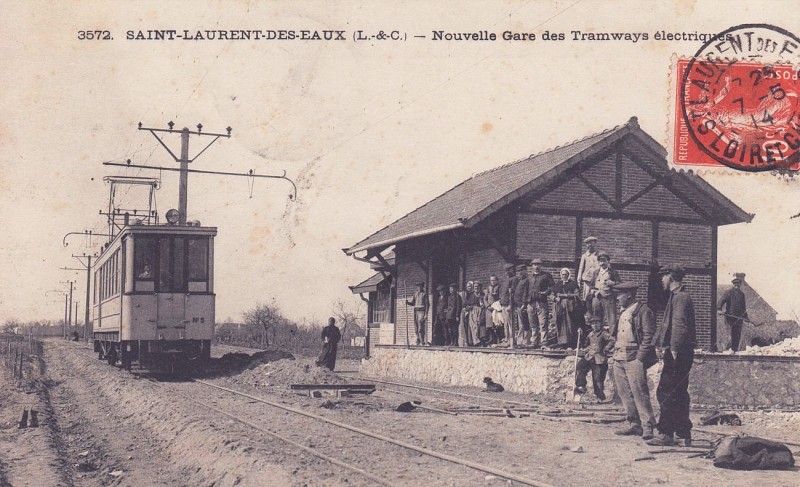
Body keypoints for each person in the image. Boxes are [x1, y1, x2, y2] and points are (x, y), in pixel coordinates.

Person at [649, 264, 696, 447]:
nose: (661, 280)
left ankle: (666, 433)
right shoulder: (678, 296)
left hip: (678, 351)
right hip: (682, 351)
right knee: (679, 392)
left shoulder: (680, 298)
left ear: (671, 277)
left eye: (663, 276)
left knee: (666, 392)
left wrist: (674, 348)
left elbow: (679, 324)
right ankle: (683, 434)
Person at [611, 281, 658, 440]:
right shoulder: (624, 311)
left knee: (639, 392)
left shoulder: (644, 311)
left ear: (629, 295)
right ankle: (634, 424)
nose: (617, 298)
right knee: (625, 392)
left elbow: (648, 337)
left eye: (620, 295)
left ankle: (648, 425)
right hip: (619, 356)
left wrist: (640, 358)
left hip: (634, 356)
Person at [575, 316, 615, 400]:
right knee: (580, 366)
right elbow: (588, 344)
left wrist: (606, 349)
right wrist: (585, 348)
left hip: (599, 359)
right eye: (592, 324)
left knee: (597, 379)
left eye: (596, 323)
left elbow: (613, 340)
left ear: (600, 324)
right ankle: (581, 385)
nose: (595, 325)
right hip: (590, 356)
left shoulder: (604, 333)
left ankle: (600, 397)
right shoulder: (591, 334)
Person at [552, 268, 583, 349]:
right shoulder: (558, 284)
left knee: (569, 324)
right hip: (559, 308)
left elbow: (576, 295)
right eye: (563, 274)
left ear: (568, 275)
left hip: (570, 308)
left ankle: (570, 343)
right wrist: (555, 298)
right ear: (560, 275)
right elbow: (552, 294)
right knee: (560, 324)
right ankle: (561, 342)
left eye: (566, 274)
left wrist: (565, 296)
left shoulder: (573, 284)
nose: (564, 276)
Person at [528, 258, 555, 348]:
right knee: (533, 323)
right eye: (534, 265)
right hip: (531, 303)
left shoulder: (546, 276)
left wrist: (546, 292)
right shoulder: (529, 277)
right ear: (532, 266)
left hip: (541, 303)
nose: (536, 266)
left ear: (541, 266)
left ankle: (544, 342)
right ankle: (534, 342)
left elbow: (552, 287)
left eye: (538, 264)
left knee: (543, 323)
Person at [590, 252, 620, 329]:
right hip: (597, 297)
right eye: (600, 261)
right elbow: (591, 285)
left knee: (611, 317)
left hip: (609, 297)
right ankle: (598, 335)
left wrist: (612, 283)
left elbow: (620, 284)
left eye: (604, 261)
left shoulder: (613, 272)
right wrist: (592, 290)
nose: (602, 263)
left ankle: (612, 335)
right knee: (596, 316)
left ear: (608, 261)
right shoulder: (595, 272)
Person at [718, 277, 748, 352]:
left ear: (740, 284)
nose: (736, 285)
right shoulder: (729, 292)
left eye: (737, 284)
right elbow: (721, 301)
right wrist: (719, 309)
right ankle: (728, 349)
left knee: (737, 335)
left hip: (739, 318)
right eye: (735, 284)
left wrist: (746, 317)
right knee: (730, 334)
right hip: (730, 317)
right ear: (733, 284)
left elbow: (743, 307)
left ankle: (735, 350)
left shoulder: (742, 295)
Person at [405, 281, 429, 346]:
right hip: (415, 311)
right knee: (416, 326)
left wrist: (426, 314)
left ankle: (422, 341)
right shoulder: (415, 294)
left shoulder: (424, 294)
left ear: (422, 287)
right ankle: (418, 339)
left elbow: (427, 304)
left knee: (420, 326)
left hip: (422, 311)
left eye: (420, 286)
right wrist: (408, 303)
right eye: (417, 286)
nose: (418, 288)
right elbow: (413, 303)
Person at [513, 264, 531, 346]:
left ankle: (526, 341)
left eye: (521, 271)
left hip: (523, 305)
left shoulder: (527, 280)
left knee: (525, 323)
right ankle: (520, 341)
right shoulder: (520, 281)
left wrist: (524, 303)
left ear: (525, 271)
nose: (520, 273)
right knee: (520, 324)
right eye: (519, 271)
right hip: (518, 305)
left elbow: (526, 293)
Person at [500, 264, 518, 348]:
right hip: (504, 304)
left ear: (512, 270)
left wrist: (511, 304)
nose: (507, 272)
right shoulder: (505, 280)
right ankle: (507, 340)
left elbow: (513, 293)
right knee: (506, 324)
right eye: (506, 270)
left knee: (511, 324)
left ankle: (512, 342)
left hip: (509, 305)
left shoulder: (514, 279)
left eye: (509, 270)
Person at [577, 236, 600, 301]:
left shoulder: (599, 255)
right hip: (587, 279)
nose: (589, 245)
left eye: (591, 243)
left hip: (597, 279)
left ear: (595, 243)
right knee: (587, 296)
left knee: (596, 296)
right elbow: (581, 268)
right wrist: (579, 279)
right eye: (588, 243)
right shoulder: (584, 256)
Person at [461, 281, 476, 346]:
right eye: (467, 287)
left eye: (470, 286)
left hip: (471, 312)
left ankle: (471, 341)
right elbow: (463, 303)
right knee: (464, 326)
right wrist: (464, 308)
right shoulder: (465, 294)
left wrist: (469, 307)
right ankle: (466, 341)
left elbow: (474, 303)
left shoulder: (473, 294)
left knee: (470, 327)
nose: (468, 288)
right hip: (464, 312)